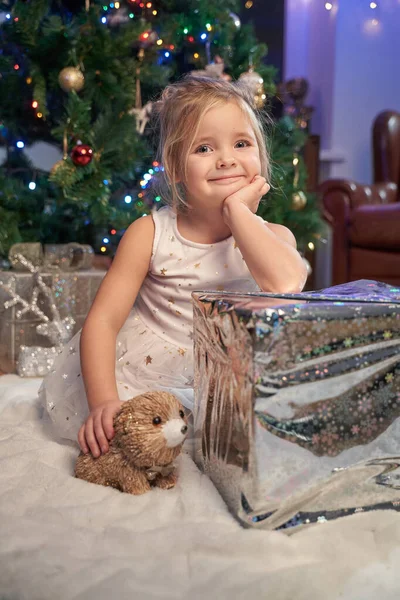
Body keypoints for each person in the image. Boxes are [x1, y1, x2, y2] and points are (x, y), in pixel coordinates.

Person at [40, 76, 307, 458]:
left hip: (229, 376)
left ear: (261, 160)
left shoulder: (275, 236)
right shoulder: (150, 233)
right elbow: (102, 322)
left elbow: (284, 282)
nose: (227, 159)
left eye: (242, 144)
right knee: (140, 441)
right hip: (148, 374)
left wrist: (236, 212)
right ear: (176, 168)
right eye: (203, 147)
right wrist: (102, 401)